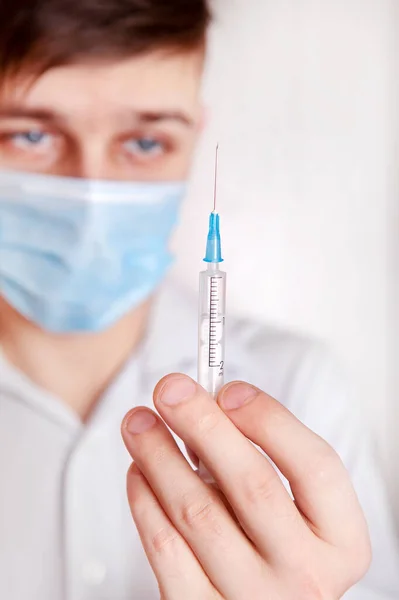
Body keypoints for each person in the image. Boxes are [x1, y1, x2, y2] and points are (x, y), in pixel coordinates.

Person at [0, 1, 398, 599]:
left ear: (193, 137)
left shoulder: (298, 388)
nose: (93, 194)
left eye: (144, 141)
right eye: (30, 134)